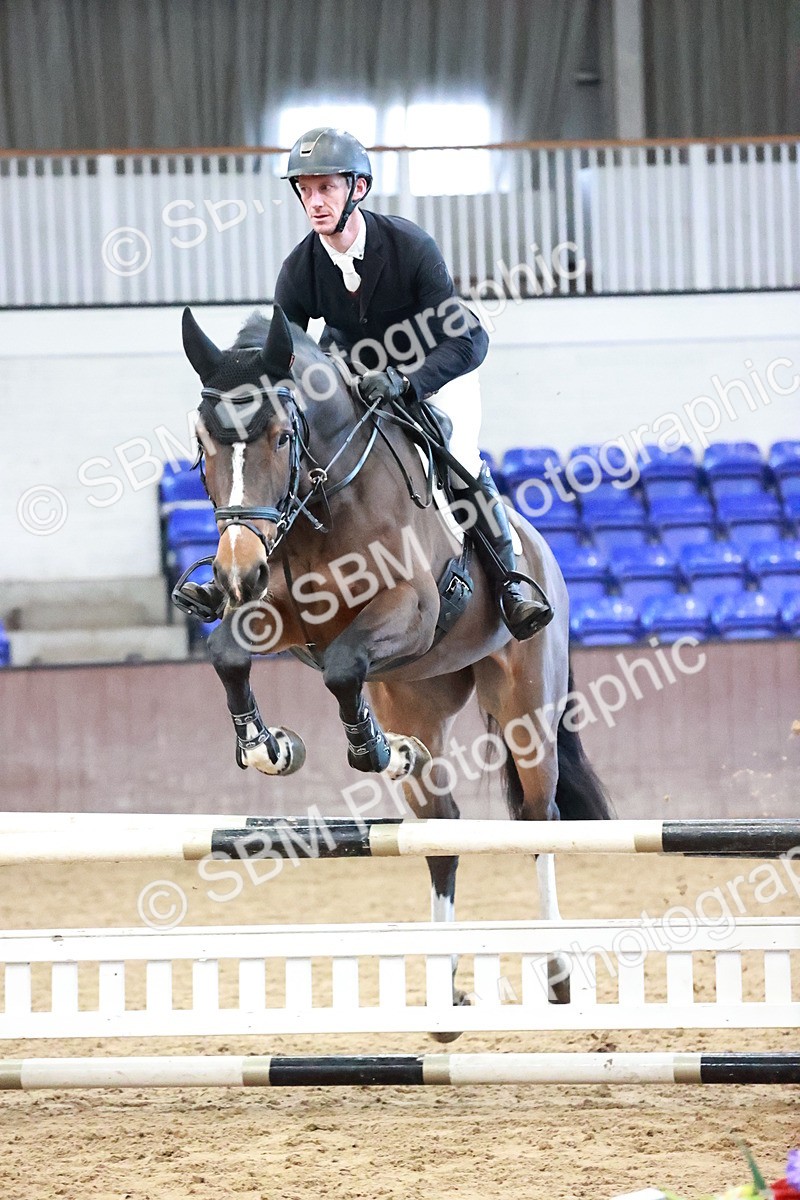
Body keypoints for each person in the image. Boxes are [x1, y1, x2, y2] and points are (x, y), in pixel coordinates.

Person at [184, 127, 552, 640]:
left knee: (460, 455)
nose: (314, 202)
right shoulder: (301, 268)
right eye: (305, 191)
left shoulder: (409, 247)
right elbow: (281, 356)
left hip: (433, 374)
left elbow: (467, 341)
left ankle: (510, 581)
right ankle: (240, 583)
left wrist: (406, 382)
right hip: (355, 382)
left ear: (356, 189)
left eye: (325, 188)